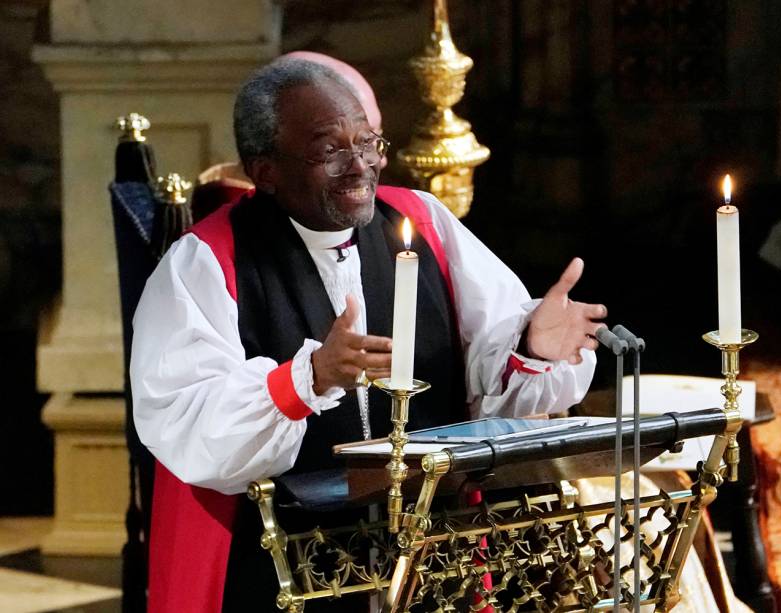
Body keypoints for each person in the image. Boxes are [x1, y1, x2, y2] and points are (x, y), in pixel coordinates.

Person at [130, 56, 607, 612]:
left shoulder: (420, 221)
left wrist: (533, 347)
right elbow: (184, 421)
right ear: (264, 170)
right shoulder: (207, 261)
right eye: (330, 151)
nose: (359, 166)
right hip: (282, 565)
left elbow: (489, 373)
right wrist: (304, 380)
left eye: (368, 143)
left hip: (429, 552)